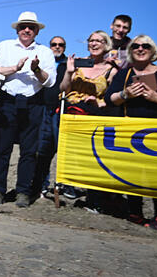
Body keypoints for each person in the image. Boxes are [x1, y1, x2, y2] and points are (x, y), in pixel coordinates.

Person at [105, 34, 157, 231]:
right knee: (133, 173)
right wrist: (126, 94)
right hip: (130, 133)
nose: (140, 49)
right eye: (136, 46)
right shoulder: (124, 74)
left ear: (153, 51)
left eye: (146, 46)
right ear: (131, 51)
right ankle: (135, 213)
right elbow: (109, 99)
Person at [0, 11, 56, 207]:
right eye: (23, 26)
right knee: (2, 149)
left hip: (33, 103)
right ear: (17, 29)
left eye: (31, 27)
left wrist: (36, 69)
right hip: (7, 101)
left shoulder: (45, 52)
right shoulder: (4, 46)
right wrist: (15, 68)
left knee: (29, 151)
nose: (27, 30)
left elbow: (50, 81)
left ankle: (22, 192)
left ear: (36, 31)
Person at [55, 30, 118, 212]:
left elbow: (112, 97)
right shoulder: (78, 65)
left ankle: (94, 199)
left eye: (99, 41)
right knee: (70, 154)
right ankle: (67, 189)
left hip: (96, 116)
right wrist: (69, 72)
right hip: (73, 112)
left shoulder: (112, 70)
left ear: (107, 45)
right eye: (91, 41)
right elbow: (63, 89)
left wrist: (98, 101)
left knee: (93, 157)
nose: (94, 44)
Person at [36, 35, 70, 197]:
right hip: (42, 108)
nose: (57, 47)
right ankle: (41, 183)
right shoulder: (42, 62)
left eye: (61, 45)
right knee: (42, 149)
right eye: (54, 44)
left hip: (60, 110)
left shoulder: (67, 65)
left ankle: (64, 185)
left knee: (61, 149)